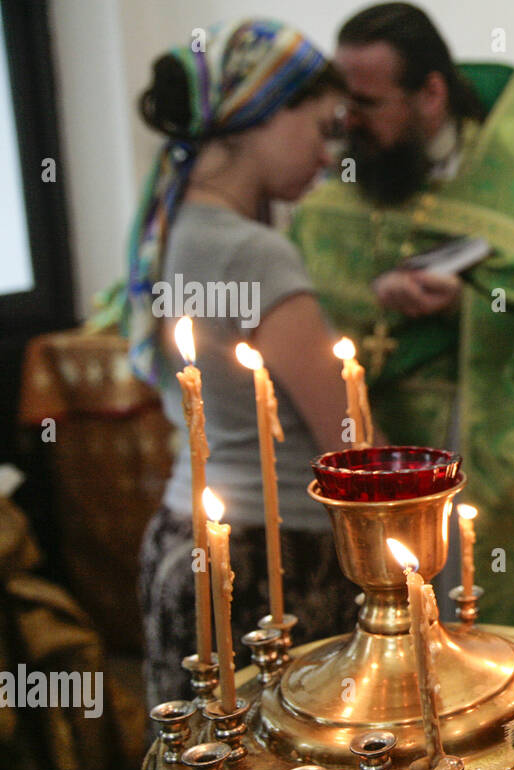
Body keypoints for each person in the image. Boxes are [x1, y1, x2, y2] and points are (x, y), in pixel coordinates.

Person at [289, 3, 514, 627]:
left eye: (367, 104)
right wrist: (368, 295)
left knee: (477, 630)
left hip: (472, 441)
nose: (347, 122)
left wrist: (472, 307)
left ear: (431, 93)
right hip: (364, 439)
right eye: (343, 103)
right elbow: (303, 302)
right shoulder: (340, 188)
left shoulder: (508, 176)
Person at [120, 19, 379, 708]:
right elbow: (346, 443)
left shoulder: (171, 227)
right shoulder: (255, 252)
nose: (328, 157)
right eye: (322, 128)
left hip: (186, 534)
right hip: (272, 561)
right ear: (262, 112)